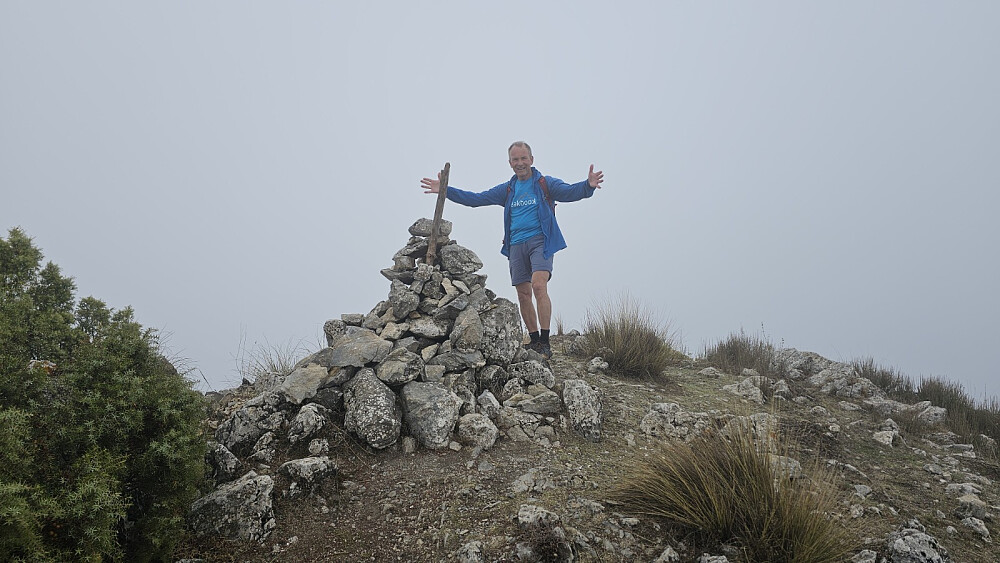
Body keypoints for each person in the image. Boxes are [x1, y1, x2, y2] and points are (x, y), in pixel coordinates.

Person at [420, 141, 604, 358]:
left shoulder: (545, 183)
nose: (520, 163)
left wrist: (588, 186)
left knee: (538, 285)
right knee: (523, 292)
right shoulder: (508, 189)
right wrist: (445, 190)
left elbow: (571, 191)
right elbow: (476, 199)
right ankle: (534, 341)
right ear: (510, 163)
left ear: (532, 160)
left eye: (523, 158)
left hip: (540, 242)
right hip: (516, 244)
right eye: (515, 160)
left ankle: (545, 342)